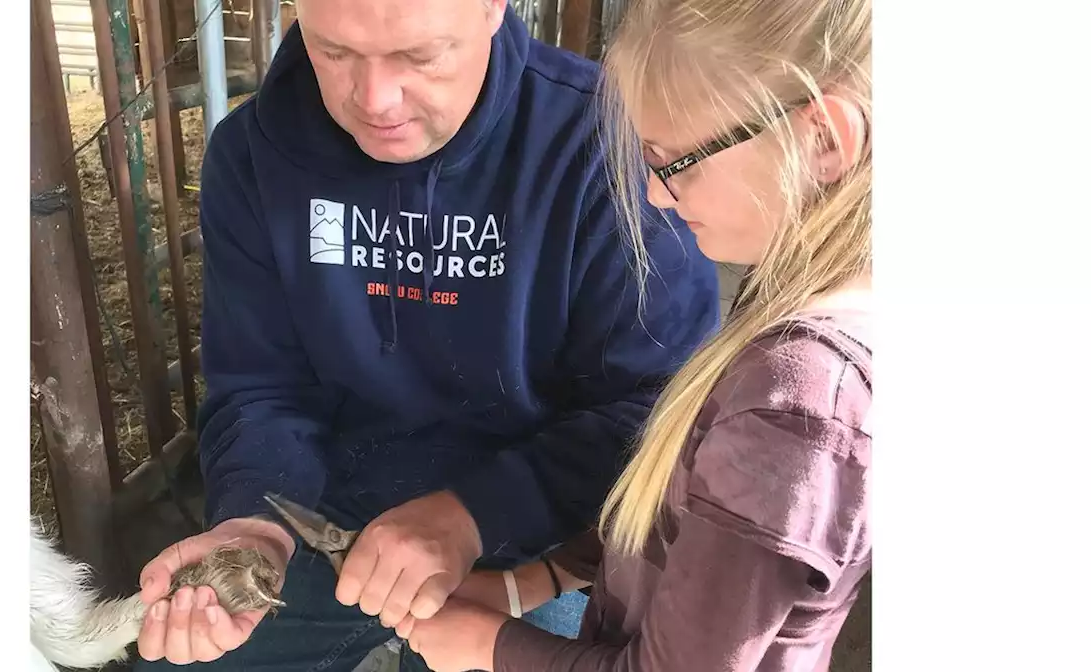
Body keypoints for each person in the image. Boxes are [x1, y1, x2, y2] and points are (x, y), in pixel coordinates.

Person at [132, 0, 722, 670]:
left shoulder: (608, 145)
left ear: (494, 9)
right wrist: (252, 524)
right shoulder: (253, 155)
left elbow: (657, 408)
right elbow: (260, 386)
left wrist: (476, 516)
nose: (376, 100)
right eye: (335, 53)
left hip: (547, 529)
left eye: (420, 56)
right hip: (320, 508)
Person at [395, 0, 874, 669]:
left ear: (821, 140)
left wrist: (486, 646)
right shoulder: (794, 311)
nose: (655, 195)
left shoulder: (797, 401)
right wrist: (527, 583)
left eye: (678, 161)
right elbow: (682, 525)